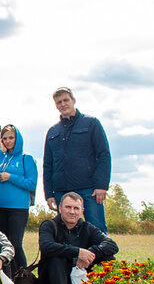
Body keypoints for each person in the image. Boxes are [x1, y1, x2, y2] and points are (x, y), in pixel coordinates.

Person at [43, 87, 112, 232]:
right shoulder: (53, 132)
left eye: (66, 100)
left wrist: (101, 185)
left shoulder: (91, 124)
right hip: (62, 190)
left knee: (97, 228)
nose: (63, 104)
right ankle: (70, 256)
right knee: (64, 230)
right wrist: (49, 194)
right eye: (59, 102)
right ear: (56, 106)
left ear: (73, 101)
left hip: (89, 189)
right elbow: (48, 165)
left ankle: (103, 255)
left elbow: (103, 155)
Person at [38, 191, 119, 284]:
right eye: (68, 207)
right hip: (54, 282)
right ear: (60, 208)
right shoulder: (49, 225)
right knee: (56, 257)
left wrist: (91, 252)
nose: (72, 212)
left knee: (108, 257)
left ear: (82, 211)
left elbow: (112, 245)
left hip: (80, 277)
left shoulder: (87, 228)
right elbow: (46, 246)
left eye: (76, 208)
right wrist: (78, 252)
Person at [0, 124, 38, 269]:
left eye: (11, 138)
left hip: (17, 209)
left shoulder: (26, 159)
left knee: (15, 244)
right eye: (5, 138)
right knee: (2, 245)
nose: (8, 141)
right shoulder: (0, 158)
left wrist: (11, 177)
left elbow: (31, 184)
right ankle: (7, 278)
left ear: (17, 139)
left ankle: (23, 276)